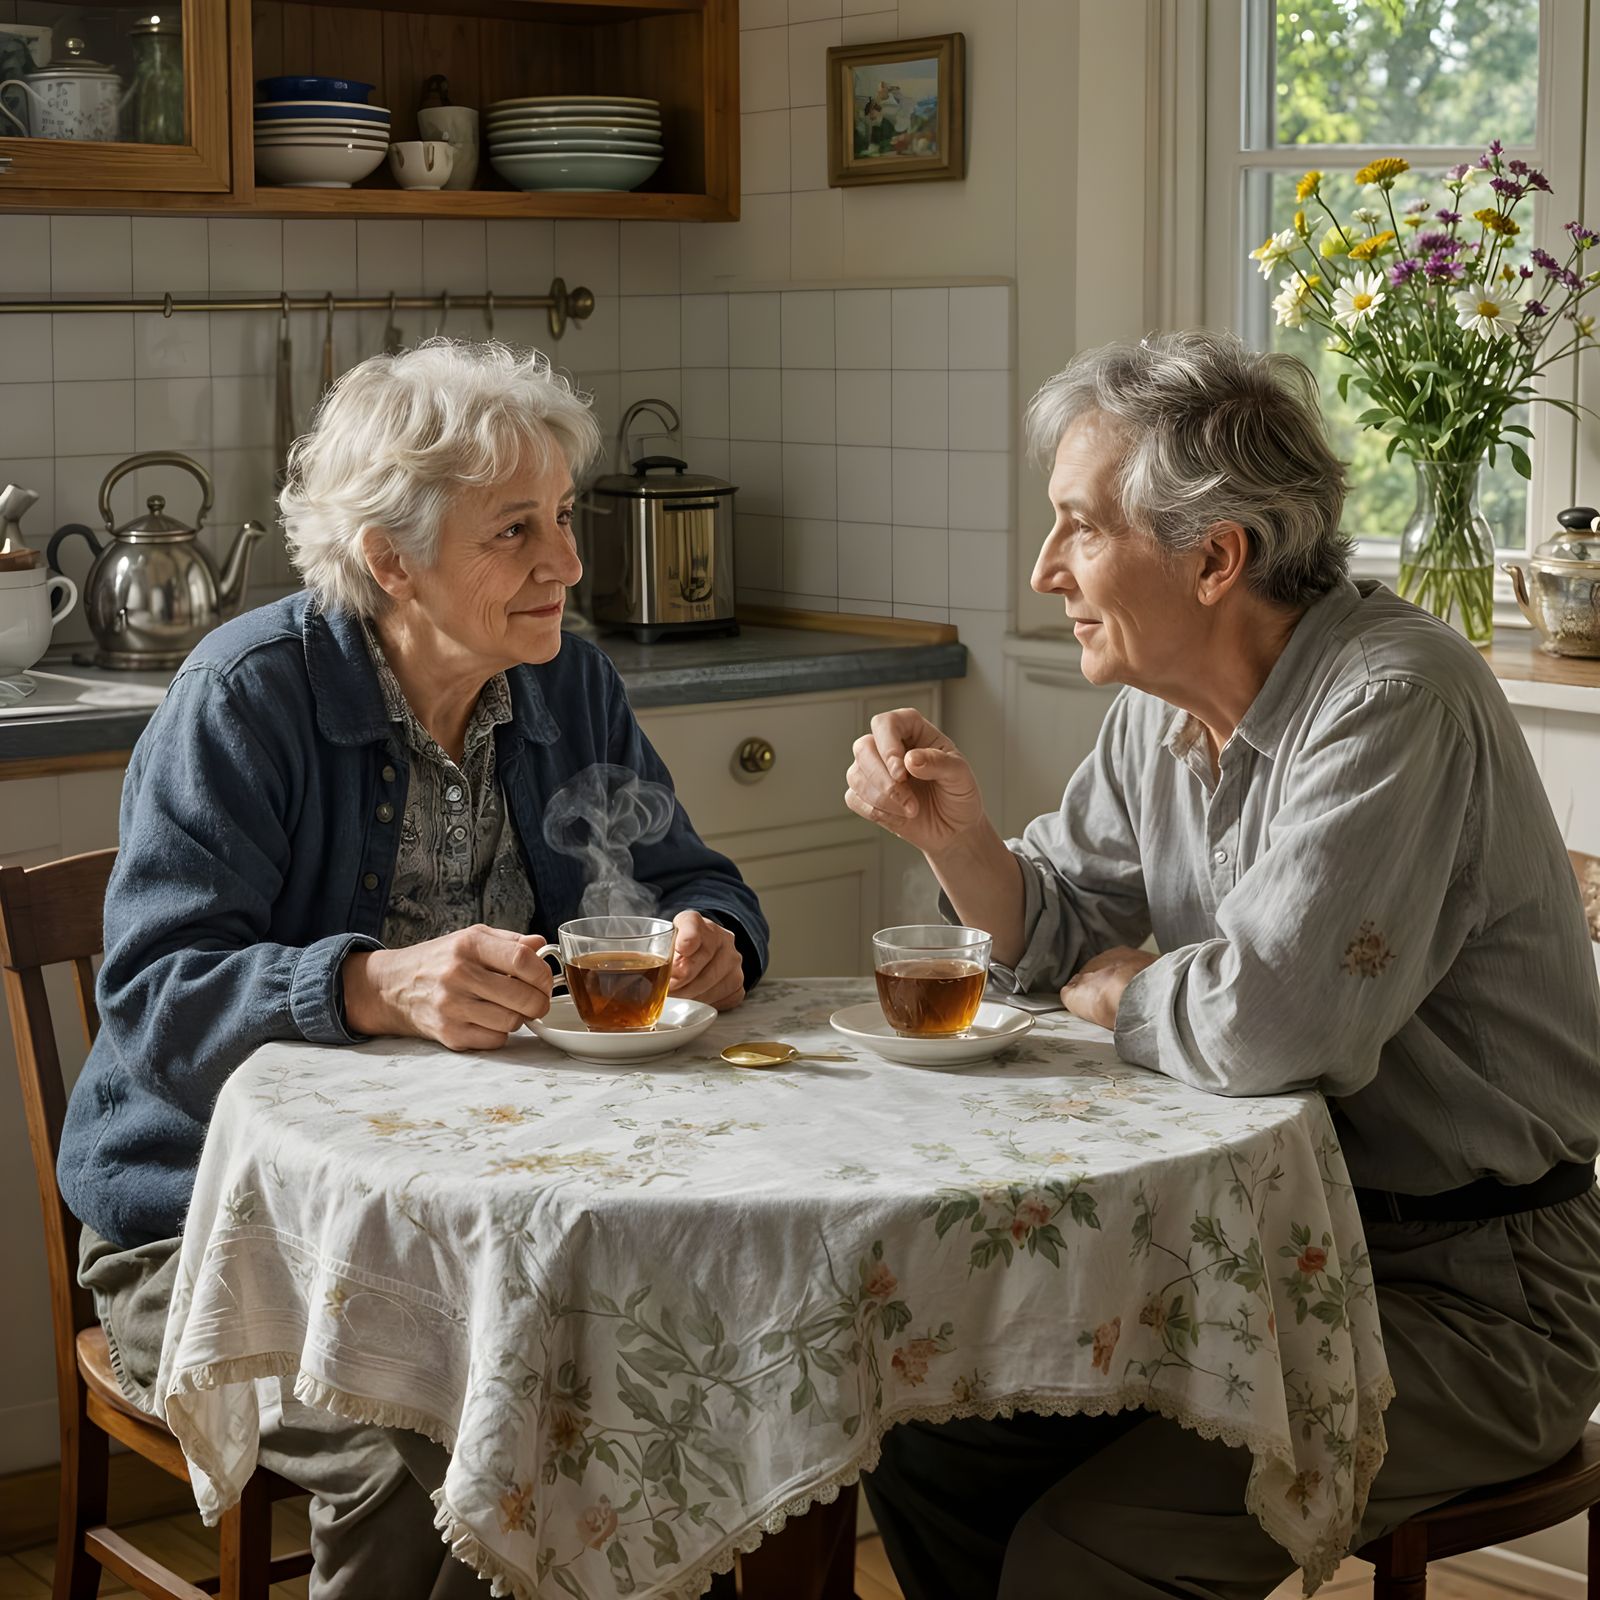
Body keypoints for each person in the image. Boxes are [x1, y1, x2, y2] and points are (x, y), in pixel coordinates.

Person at [845, 329, 1600, 1598]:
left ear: (1215, 558)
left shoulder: (1392, 699)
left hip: (1475, 1297)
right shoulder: (1157, 704)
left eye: (1079, 530)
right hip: (1252, 1252)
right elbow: (1067, 914)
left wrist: (1131, 987)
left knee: (1086, 1552)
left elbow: (1273, 1025)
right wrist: (961, 841)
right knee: (927, 1442)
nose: (1044, 571)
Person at [56, 340, 767, 1599]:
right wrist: (370, 986)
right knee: (422, 1457)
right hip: (225, 1238)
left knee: (679, 1404)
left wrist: (715, 941)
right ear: (391, 558)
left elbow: (694, 881)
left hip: (490, 1229)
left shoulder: (568, 684)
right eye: (515, 531)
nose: (565, 561)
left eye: (561, 518)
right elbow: (154, 996)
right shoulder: (246, 696)